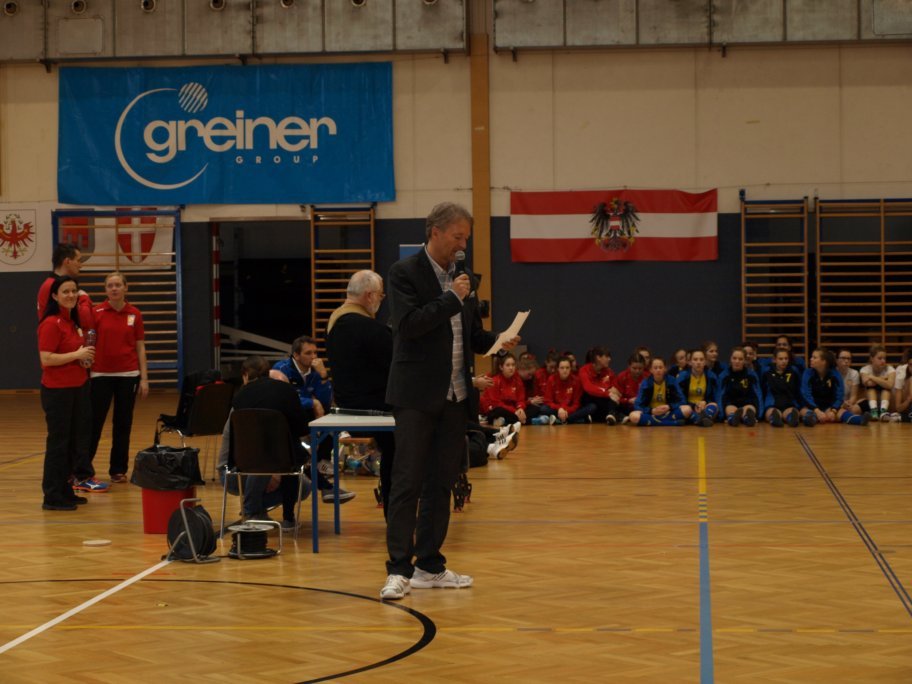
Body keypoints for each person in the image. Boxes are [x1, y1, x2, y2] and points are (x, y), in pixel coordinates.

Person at [381, 201, 517, 601]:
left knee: (442, 483)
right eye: (458, 237)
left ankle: (429, 565)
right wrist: (452, 299)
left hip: (456, 396)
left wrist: (498, 341)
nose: (462, 245)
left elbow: (471, 335)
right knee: (407, 482)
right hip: (415, 396)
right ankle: (398, 569)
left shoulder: (464, 278)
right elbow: (409, 326)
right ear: (435, 232)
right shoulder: (404, 273)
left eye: (466, 238)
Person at [325, 270, 395, 514]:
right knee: (400, 448)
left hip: (344, 404)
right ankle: (394, 510)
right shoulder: (372, 329)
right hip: (374, 407)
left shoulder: (335, 321)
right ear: (369, 295)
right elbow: (393, 368)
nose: (381, 300)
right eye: (381, 295)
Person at [37, 277, 98, 510]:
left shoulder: (72, 322)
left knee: (74, 443)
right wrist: (76, 355)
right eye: (65, 291)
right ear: (55, 296)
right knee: (59, 444)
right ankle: (52, 496)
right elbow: (46, 358)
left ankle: (65, 490)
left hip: (78, 387)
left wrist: (84, 360)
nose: (71, 295)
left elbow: (75, 353)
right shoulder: (51, 323)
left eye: (74, 291)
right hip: (58, 391)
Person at [88, 272, 149, 483]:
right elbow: (89, 343)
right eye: (110, 286)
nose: (114, 289)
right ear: (105, 290)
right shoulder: (96, 312)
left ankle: (118, 470)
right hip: (100, 374)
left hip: (128, 375)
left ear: (125, 288)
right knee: (94, 423)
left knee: (123, 424)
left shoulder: (135, 313)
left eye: (117, 285)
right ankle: (83, 469)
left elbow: (140, 347)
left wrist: (144, 378)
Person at [272, 336, 334, 474]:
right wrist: (312, 402)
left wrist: (324, 375)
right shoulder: (281, 369)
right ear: (296, 355)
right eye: (308, 353)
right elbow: (284, 398)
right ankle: (301, 459)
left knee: (329, 415)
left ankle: (322, 460)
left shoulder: (316, 371)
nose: (314, 357)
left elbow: (325, 401)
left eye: (315, 352)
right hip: (288, 412)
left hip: (308, 411)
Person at [800, 348, 870, 426]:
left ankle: (860, 419)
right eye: (811, 357)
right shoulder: (808, 373)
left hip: (828, 406)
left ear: (824, 361)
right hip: (812, 407)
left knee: (841, 412)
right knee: (804, 411)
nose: (811, 359)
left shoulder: (835, 374)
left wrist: (833, 410)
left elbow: (839, 395)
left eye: (814, 357)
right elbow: (806, 395)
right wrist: (817, 411)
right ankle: (810, 419)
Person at [36, 243, 93, 323]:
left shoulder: (53, 283)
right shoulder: (51, 285)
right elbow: (84, 318)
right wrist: (84, 298)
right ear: (67, 261)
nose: (80, 265)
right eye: (78, 261)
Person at [629, 357, 692, 426]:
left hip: (668, 412)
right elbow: (637, 405)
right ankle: (670, 423)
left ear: (665, 369)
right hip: (652, 413)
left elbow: (682, 400)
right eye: (655, 368)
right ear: (651, 370)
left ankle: (653, 422)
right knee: (633, 416)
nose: (658, 370)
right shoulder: (646, 383)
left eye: (660, 367)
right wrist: (651, 410)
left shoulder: (672, 380)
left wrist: (669, 406)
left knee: (687, 409)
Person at [716, 347, 762, 427]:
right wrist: (722, 416)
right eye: (734, 358)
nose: (737, 361)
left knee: (749, 408)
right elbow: (720, 396)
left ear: (744, 361)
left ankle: (748, 419)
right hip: (731, 403)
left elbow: (758, 395)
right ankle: (732, 419)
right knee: (730, 409)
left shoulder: (751, 375)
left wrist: (759, 415)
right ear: (730, 359)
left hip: (747, 403)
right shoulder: (724, 376)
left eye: (740, 359)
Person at [481, 353, 528, 426]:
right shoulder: (495, 381)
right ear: (501, 367)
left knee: (533, 408)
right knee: (499, 410)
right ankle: (520, 420)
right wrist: (514, 411)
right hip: (496, 409)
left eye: (513, 365)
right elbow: (496, 403)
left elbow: (520, 399)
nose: (511, 368)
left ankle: (507, 421)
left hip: (512, 409)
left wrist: (520, 408)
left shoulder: (517, 380)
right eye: (508, 365)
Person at [676, 348, 719, 427]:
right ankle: (702, 419)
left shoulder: (711, 376)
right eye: (695, 359)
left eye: (701, 360)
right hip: (689, 407)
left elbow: (715, 397)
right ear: (690, 362)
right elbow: (679, 398)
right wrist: (694, 405)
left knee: (714, 405)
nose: (698, 362)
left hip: (704, 407)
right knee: (685, 409)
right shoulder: (682, 377)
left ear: (705, 362)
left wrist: (705, 402)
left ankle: (701, 419)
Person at [544, 356, 594, 424]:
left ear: (570, 368)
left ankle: (561, 420)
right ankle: (576, 419)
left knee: (592, 407)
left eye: (567, 368)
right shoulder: (551, 379)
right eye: (562, 368)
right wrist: (559, 408)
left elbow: (576, 403)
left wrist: (566, 410)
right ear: (558, 369)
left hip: (570, 410)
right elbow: (548, 401)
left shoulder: (576, 381)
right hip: (557, 409)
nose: (565, 370)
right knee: (544, 409)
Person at [579, 346, 621, 424]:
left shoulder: (609, 371)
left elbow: (615, 388)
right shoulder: (584, 370)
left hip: (603, 400)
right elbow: (588, 388)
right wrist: (607, 393)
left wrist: (614, 392)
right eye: (607, 357)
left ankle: (611, 415)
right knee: (598, 400)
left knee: (614, 400)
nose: (609, 359)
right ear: (598, 357)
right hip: (589, 399)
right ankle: (613, 415)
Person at [762, 349, 802, 427]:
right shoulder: (767, 372)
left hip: (789, 404)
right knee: (773, 413)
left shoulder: (794, 371)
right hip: (772, 404)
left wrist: (800, 405)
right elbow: (762, 389)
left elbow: (799, 389)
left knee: (793, 413)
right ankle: (774, 418)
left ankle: (791, 418)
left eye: (786, 358)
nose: (784, 361)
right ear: (774, 360)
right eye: (780, 359)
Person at [859, 344, 896, 421]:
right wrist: (883, 379)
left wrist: (872, 377)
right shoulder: (865, 369)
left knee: (886, 389)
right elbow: (868, 383)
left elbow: (889, 385)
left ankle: (883, 413)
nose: (883, 361)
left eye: (884, 358)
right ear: (871, 359)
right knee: (871, 389)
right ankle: (874, 412)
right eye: (880, 358)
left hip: (889, 402)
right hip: (871, 402)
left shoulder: (890, 369)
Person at [516, 357, 554, 424]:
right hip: (516, 407)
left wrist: (531, 399)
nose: (530, 377)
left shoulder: (527, 380)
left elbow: (525, 398)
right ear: (522, 369)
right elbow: (516, 401)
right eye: (529, 374)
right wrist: (529, 401)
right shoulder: (516, 380)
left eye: (532, 375)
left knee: (536, 408)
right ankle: (531, 420)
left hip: (523, 405)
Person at [614, 353, 647, 421]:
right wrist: (628, 400)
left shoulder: (648, 378)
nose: (637, 371)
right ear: (629, 366)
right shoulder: (622, 377)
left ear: (644, 367)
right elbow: (616, 397)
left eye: (640, 368)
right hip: (625, 407)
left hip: (642, 408)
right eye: (634, 368)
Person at [835, 348, 862, 414]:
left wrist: (849, 404)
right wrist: (841, 404)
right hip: (835, 403)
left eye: (848, 359)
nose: (846, 361)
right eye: (843, 358)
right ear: (837, 360)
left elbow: (853, 396)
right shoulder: (832, 373)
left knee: (859, 405)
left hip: (848, 403)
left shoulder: (854, 373)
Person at [892, 348, 912, 422]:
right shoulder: (901, 372)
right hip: (903, 404)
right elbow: (898, 408)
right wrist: (908, 400)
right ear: (908, 364)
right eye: (911, 365)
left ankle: (903, 417)